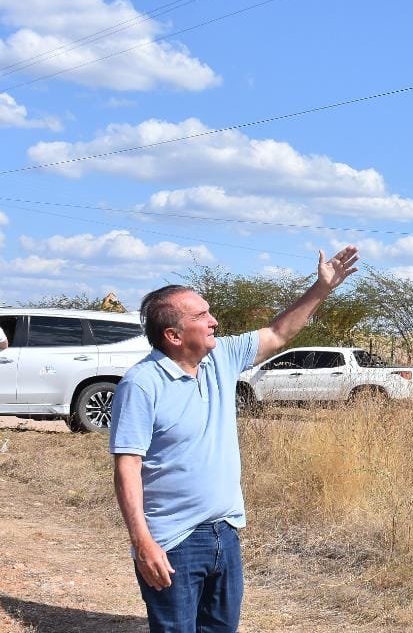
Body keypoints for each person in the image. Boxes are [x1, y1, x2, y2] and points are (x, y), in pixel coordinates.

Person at [109, 246, 359, 632]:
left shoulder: (220, 358)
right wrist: (143, 544)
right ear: (173, 334)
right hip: (172, 540)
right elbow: (127, 467)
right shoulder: (141, 385)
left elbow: (279, 332)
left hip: (223, 532)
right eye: (202, 315)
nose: (214, 321)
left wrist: (321, 288)